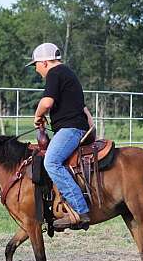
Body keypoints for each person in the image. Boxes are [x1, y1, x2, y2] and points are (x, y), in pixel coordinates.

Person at [26, 42, 95, 230]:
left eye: (36, 65)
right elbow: (83, 108)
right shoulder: (67, 73)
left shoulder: (54, 74)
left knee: (51, 162)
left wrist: (38, 115)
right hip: (75, 127)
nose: (36, 69)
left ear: (45, 62)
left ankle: (80, 211)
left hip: (70, 129)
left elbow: (47, 103)